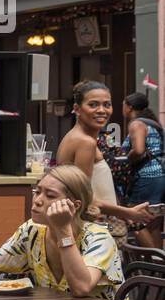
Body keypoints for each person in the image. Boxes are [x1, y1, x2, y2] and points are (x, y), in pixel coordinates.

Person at [0, 165, 124, 299]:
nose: (37, 200)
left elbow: (81, 288)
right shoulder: (32, 231)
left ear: (75, 205)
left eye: (50, 195)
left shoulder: (99, 238)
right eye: (37, 191)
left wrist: (63, 231)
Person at [54, 80, 152, 235]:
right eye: (93, 105)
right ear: (77, 109)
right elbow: (83, 199)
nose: (101, 110)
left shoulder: (79, 138)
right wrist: (127, 212)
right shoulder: (85, 142)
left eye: (107, 104)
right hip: (90, 229)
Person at [118, 92, 164, 249]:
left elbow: (138, 150)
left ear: (129, 107)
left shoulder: (136, 124)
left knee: (136, 220)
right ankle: (158, 269)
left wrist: (124, 159)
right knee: (154, 224)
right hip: (159, 175)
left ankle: (152, 262)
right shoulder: (152, 123)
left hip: (145, 176)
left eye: (123, 105)